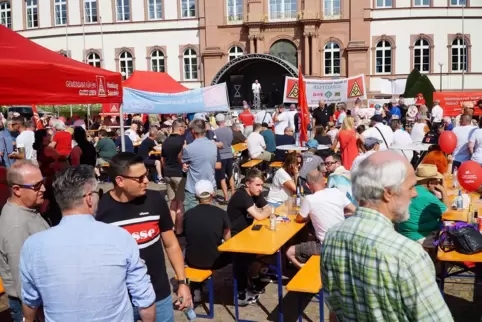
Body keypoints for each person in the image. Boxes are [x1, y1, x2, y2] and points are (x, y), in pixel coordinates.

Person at [321, 151, 453, 322]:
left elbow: (335, 311)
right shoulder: (408, 255)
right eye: (411, 187)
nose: (414, 194)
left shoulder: (332, 237)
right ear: (388, 193)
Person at [19, 165, 156, 322]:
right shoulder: (120, 237)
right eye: (98, 193)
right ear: (89, 198)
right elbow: (144, 299)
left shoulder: (33, 246)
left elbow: (30, 301)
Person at [96, 153, 192, 321]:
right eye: (139, 178)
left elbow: (171, 245)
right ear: (120, 181)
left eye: (146, 175)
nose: (146, 181)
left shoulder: (155, 200)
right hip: (120, 299)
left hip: (158, 294)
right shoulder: (99, 210)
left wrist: (182, 282)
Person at [0, 161, 48, 322]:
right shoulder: (17, 226)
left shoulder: (27, 209)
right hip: (31, 308)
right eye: (36, 186)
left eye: (43, 182)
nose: (43, 189)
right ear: (17, 190)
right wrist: (33, 317)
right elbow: (23, 281)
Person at [286, 170, 356, 268]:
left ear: (308, 185)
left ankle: (306, 271)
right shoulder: (337, 192)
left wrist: (309, 216)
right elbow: (354, 210)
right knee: (310, 235)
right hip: (344, 242)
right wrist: (341, 213)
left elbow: (299, 219)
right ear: (324, 180)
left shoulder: (310, 199)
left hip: (326, 246)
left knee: (289, 252)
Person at [227, 169, 271, 305]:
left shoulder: (255, 194)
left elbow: (268, 209)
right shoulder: (242, 195)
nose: (260, 188)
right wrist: (262, 211)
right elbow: (260, 215)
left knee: (266, 248)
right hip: (234, 236)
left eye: (261, 185)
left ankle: (255, 277)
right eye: (257, 185)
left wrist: (264, 211)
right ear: (247, 183)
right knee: (243, 260)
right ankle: (241, 293)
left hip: (247, 232)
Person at [183, 180, 231, 302]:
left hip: (192, 260)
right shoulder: (221, 213)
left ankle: (196, 289)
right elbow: (228, 240)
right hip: (215, 261)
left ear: (195, 196)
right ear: (213, 194)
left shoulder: (187, 214)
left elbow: (185, 236)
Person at [182, 119, 220, 211]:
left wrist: (183, 149)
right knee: (211, 216)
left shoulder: (189, 148)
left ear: (193, 131)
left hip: (194, 188)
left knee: (191, 218)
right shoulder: (213, 145)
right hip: (210, 185)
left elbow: (182, 160)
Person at [161, 120, 187, 235]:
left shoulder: (165, 141)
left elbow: (162, 159)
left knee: (172, 202)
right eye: (184, 128)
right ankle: (179, 229)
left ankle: (171, 228)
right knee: (180, 203)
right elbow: (182, 158)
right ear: (180, 128)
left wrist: (165, 170)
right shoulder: (182, 141)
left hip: (167, 173)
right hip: (178, 174)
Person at [214, 114, 235, 204]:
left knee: (222, 177)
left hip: (221, 156)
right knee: (230, 174)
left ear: (216, 121)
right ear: (224, 120)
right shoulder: (229, 130)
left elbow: (215, 144)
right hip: (229, 154)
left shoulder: (215, 131)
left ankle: (226, 196)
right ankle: (233, 193)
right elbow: (230, 141)